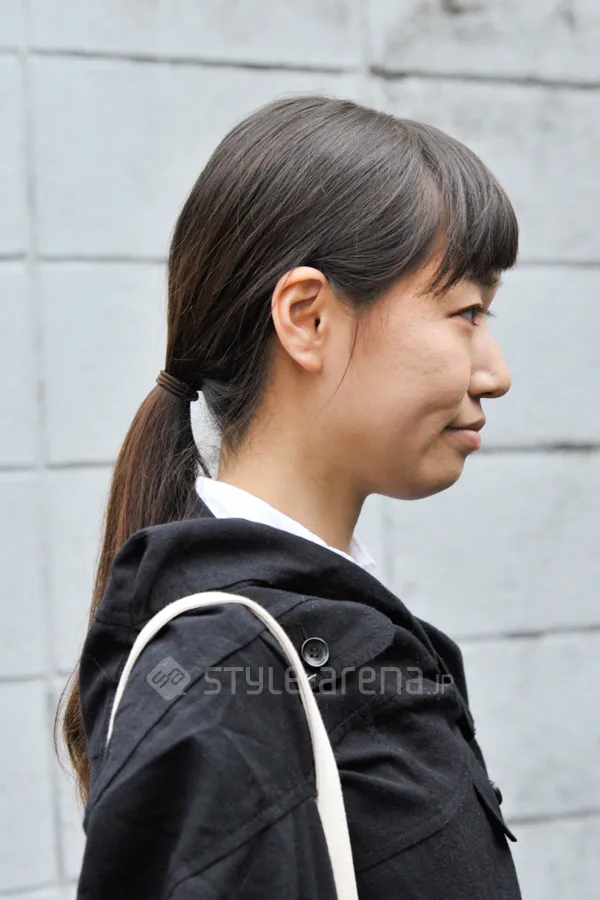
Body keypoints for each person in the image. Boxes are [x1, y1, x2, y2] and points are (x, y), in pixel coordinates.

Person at [55, 94, 522, 899]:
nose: (496, 372)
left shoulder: (311, 634)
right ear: (307, 318)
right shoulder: (223, 680)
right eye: (466, 312)